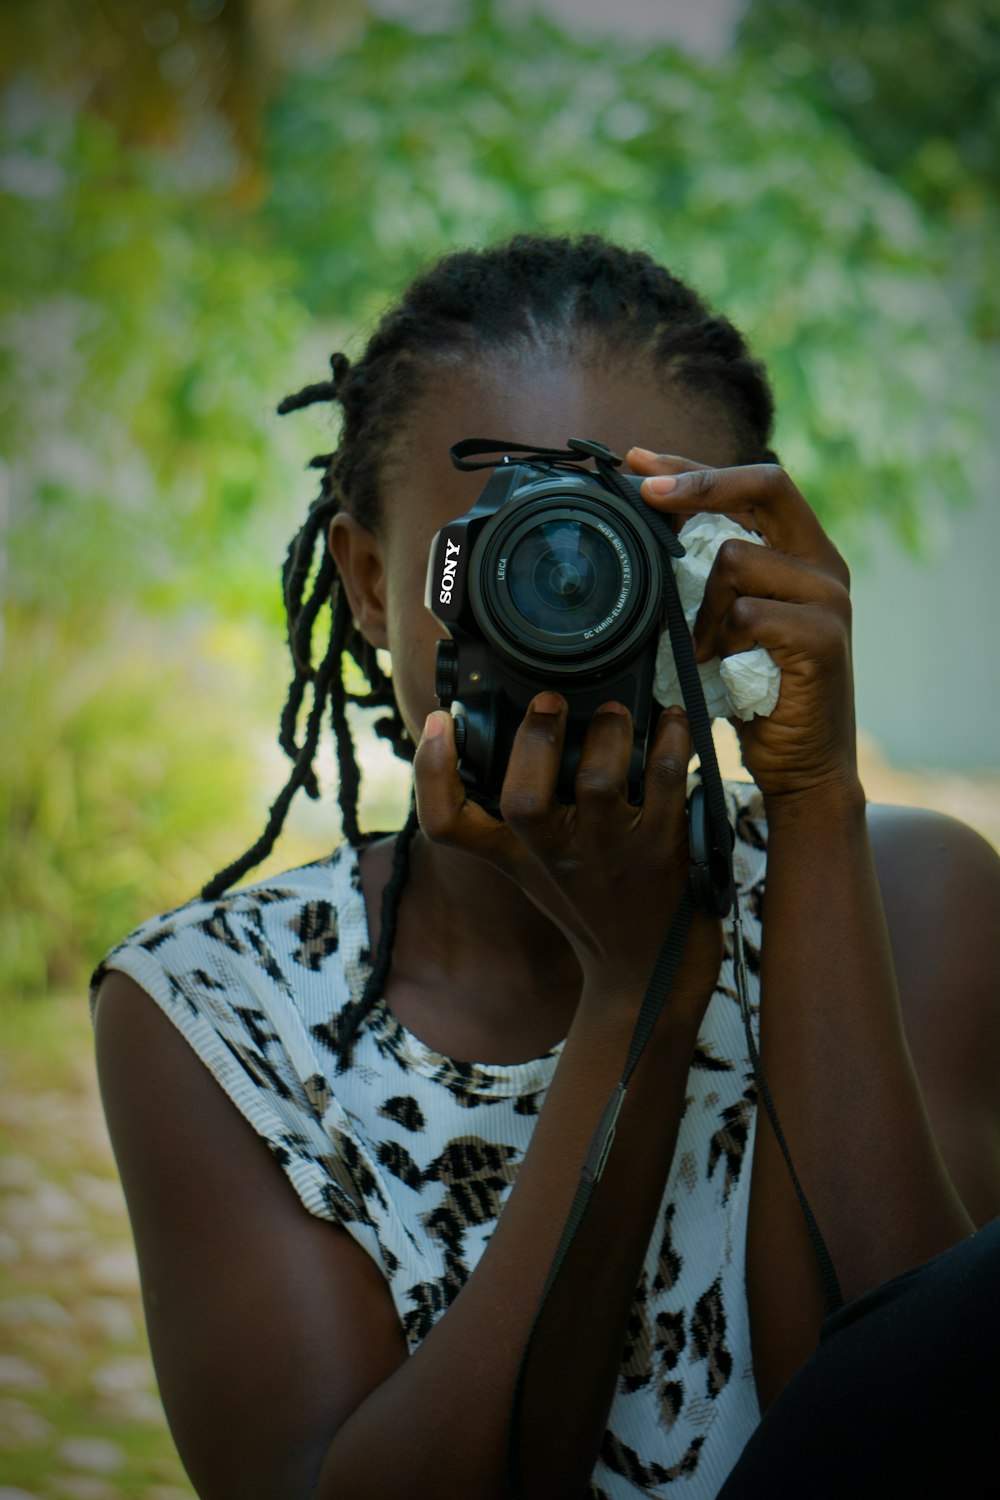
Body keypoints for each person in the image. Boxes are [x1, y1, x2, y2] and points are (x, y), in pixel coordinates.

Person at [91, 235, 1000, 1500]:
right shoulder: (219, 1015)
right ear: (366, 581)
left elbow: (903, 1444)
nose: (564, 591)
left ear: (735, 570)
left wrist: (814, 802)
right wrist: (635, 986)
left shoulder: (911, 901)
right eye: (505, 541)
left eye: (630, 537)